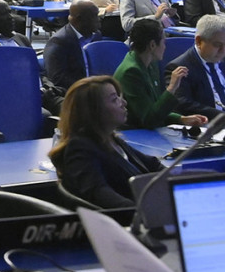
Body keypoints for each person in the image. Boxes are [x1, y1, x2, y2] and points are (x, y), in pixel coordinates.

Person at [49, 76, 164, 211]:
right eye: (115, 99)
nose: (124, 103)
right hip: (127, 223)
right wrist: (145, 212)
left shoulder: (111, 139)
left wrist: (182, 179)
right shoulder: (80, 148)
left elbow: (152, 164)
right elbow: (99, 194)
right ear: (93, 111)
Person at [113, 18, 207, 130]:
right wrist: (171, 88)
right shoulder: (132, 72)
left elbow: (155, 108)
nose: (165, 47)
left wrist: (181, 118)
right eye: (163, 42)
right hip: (134, 133)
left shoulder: (151, 64)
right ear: (152, 45)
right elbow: (149, 119)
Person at [42, 0, 102, 95]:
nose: (99, 19)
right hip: (75, 93)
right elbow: (57, 78)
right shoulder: (59, 41)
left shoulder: (96, 35)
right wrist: (88, 87)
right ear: (79, 19)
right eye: (94, 16)